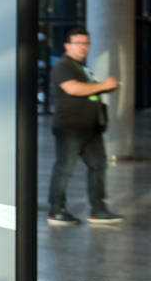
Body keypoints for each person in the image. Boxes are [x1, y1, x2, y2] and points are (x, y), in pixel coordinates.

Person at [47, 26, 122, 225]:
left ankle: (98, 209)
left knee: (98, 166)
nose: (83, 47)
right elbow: (72, 88)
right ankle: (57, 210)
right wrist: (104, 85)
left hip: (90, 129)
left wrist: (103, 88)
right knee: (65, 168)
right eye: (78, 43)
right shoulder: (63, 66)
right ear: (67, 45)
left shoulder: (83, 68)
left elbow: (90, 91)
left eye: (86, 43)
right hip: (70, 128)